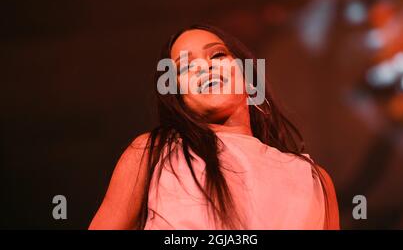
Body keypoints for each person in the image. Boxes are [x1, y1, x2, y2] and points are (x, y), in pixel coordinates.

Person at [89, 24, 339, 230]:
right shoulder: (152, 153)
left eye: (217, 55)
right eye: (186, 66)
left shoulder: (315, 180)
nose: (205, 67)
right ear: (178, 96)